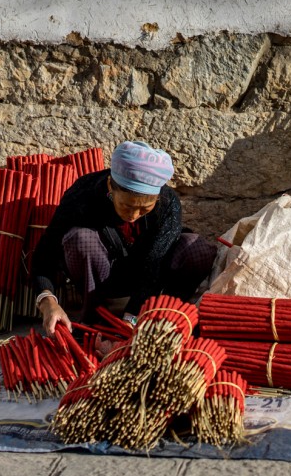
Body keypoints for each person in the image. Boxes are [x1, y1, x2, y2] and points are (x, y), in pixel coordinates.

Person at [30, 141, 216, 336]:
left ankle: (164, 317)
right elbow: (44, 257)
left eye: (145, 208)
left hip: (153, 282)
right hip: (103, 276)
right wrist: (47, 302)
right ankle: (94, 319)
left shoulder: (168, 203)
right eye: (127, 206)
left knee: (197, 248)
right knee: (80, 238)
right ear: (111, 185)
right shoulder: (83, 195)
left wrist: (132, 318)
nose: (134, 215)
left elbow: (154, 263)